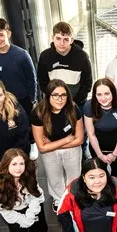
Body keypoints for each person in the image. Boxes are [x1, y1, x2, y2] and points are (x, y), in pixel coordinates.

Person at [32, 79, 84, 208]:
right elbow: (42, 148)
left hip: (72, 150)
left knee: (74, 176)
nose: (60, 99)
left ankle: (72, 196)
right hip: (51, 152)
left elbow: (79, 140)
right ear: (48, 96)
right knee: (54, 177)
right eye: (55, 95)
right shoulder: (38, 113)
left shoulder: (73, 108)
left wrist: (53, 144)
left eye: (63, 95)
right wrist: (66, 140)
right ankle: (58, 199)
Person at [0, 17, 38, 119]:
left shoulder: (22, 55)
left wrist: (32, 100)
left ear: (8, 34)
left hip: (22, 101)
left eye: (1, 35)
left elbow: (31, 79)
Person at [83, 78, 117, 179]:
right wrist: (100, 155)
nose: (103, 98)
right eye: (99, 94)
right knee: (100, 174)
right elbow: (91, 134)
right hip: (97, 148)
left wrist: (114, 155)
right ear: (95, 95)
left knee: (116, 172)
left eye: (107, 94)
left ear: (113, 93)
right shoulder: (89, 106)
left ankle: (115, 192)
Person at [37, 21, 93, 107]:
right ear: (52, 38)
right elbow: (43, 83)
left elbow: (87, 83)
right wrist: (55, 100)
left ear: (72, 40)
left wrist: (75, 102)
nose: (62, 43)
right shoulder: (45, 56)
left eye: (66, 39)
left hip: (77, 104)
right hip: (54, 104)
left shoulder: (82, 57)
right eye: (58, 38)